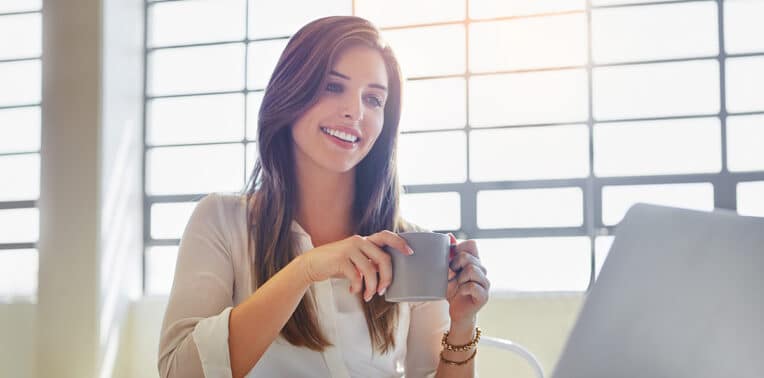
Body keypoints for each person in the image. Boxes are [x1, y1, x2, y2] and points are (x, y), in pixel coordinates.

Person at [158, 16, 490, 378]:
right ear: (290, 92)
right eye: (333, 87)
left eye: (374, 99)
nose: (355, 111)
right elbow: (179, 371)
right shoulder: (221, 222)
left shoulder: (409, 248)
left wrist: (462, 323)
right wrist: (306, 269)